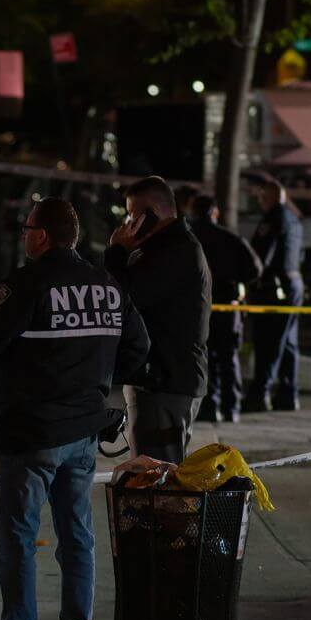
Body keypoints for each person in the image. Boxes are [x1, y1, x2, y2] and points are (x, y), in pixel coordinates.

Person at [0, 199, 151, 620]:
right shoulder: (108, 287)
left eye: (27, 229)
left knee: (19, 539)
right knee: (78, 538)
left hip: (32, 432)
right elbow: (139, 350)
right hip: (84, 432)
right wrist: (97, 375)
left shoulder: (27, 283)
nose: (24, 237)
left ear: (41, 236)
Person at [102, 174, 211, 462]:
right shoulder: (163, 248)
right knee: (149, 478)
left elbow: (120, 299)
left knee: (157, 480)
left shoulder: (176, 251)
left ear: (154, 214)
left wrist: (116, 251)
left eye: (132, 215)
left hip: (166, 382)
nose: (128, 224)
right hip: (160, 379)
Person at [185, 193, 263, 424]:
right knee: (229, 358)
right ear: (215, 212)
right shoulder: (230, 238)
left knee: (203, 357)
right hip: (228, 306)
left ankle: (210, 407)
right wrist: (235, 283)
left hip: (198, 309)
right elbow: (255, 269)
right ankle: (232, 408)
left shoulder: (188, 239)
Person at [245, 173, 305, 412]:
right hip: (294, 283)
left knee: (269, 341)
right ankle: (289, 395)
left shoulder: (272, 218)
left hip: (274, 287)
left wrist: (250, 279)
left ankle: (260, 394)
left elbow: (262, 256)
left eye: (261, 197)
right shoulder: (295, 220)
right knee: (289, 342)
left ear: (267, 198)